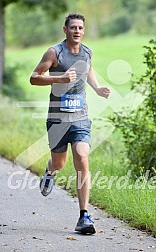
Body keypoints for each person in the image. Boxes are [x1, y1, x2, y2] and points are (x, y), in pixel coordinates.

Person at [30, 13, 111, 235]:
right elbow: (34, 77)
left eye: (80, 28)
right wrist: (60, 78)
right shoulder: (54, 53)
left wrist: (97, 88)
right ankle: (49, 172)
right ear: (64, 30)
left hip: (80, 117)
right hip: (57, 119)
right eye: (73, 27)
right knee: (59, 163)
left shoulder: (87, 52)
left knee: (82, 157)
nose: (77, 31)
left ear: (83, 31)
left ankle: (84, 215)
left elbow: (88, 69)